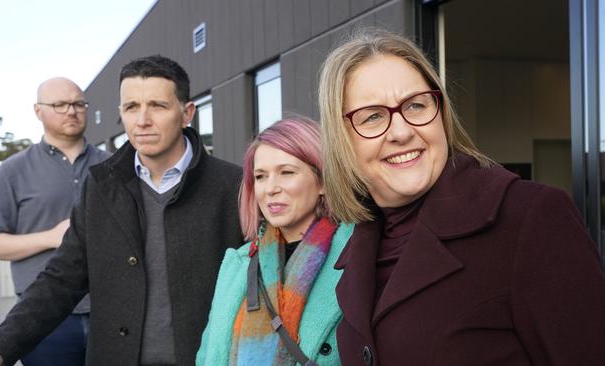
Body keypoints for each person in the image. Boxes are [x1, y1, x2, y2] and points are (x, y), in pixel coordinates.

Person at [317, 28, 605, 366]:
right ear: (342, 140)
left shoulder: (529, 217)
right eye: (373, 116)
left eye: (416, 105)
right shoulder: (357, 248)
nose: (402, 131)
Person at [0, 55, 243, 366]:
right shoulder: (102, 185)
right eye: (131, 107)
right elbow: (60, 279)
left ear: (186, 113)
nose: (142, 120)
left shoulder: (233, 186)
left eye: (157, 106)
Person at [0, 77, 110, 366]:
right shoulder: (13, 171)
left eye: (77, 103)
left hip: (112, 310)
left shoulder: (114, 165)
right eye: (59, 104)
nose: (71, 111)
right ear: (38, 111)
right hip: (44, 318)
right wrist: (51, 237)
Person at [197, 117, 352, 365]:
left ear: (323, 180)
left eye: (287, 172)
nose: (270, 188)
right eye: (260, 176)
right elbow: (207, 356)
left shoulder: (355, 255)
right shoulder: (237, 264)